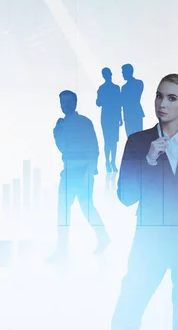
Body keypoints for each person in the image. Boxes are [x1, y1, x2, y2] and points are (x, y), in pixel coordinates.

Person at [111, 74, 178, 330]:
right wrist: (149, 161)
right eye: (159, 95)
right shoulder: (138, 142)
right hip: (150, 240)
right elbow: (125, 197)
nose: (162, 103)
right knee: (129, 308)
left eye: (172, 98)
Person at [48, 90, 110, 261]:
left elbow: (94, 147)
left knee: (86, 207)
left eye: (68, 101)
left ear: (75, 103)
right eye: (62, 102)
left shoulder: (84, 123)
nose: (65, 105)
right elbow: (62, 148)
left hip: (82, 172)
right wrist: (57, 133)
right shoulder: (61, 125)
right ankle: (62, 250)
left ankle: (103, 237)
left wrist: (90, 171)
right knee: (64, 211)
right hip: (68, 172)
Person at [96, 67, 123, 173]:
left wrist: (120, 118)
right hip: (108, 117)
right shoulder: (104, 88)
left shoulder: (113, 88)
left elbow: (119, 103)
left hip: (111, 116)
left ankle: (111, 162)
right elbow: (98, 103)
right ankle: (108, 162)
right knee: (109, 140)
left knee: (113, 141)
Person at [121, 63, 144, 137]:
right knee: (130, 137)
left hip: (135, 113)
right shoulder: (124, 87)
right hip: (127, 114)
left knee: (138, 136)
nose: (122, 74)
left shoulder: (138, 83)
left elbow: (134, 97)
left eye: (123, 72)